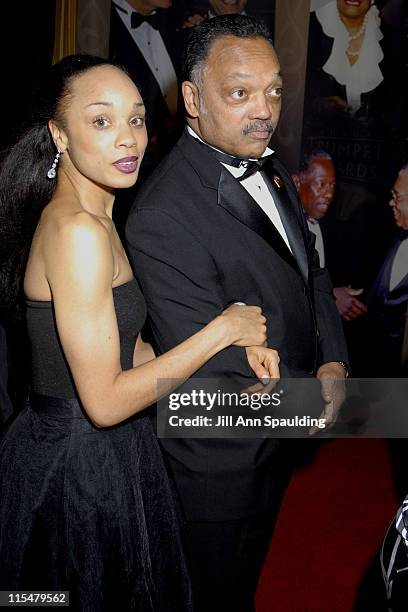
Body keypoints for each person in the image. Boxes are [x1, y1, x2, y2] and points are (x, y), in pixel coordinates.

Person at [0, 54, 280, 610]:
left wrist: (219, 377)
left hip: (102, 451)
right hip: (75, 467)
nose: (128, 139)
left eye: (136, 119)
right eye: (101, 121)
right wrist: (223, 330)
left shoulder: (99, 216)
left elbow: (132, 351)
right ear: (58, 134)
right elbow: (104, 401)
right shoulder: (76, 231)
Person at [126, 15, 349, 612]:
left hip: (277, 441)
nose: (265, 111)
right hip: (220, 468)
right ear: (194, 100)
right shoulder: (161, 216)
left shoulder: (268, 162)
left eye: (274, 91)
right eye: (240, 92)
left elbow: (312, 273)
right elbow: (218, 378)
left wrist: (334, 360)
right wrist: (317, 407)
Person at [293, 150, 368, 322]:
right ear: (297, 182)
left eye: (333, 186)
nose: (329, 194)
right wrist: (329, 298)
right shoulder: (281, 229)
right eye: (321, 184)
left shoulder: (332, 230)